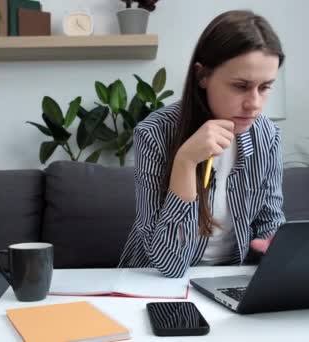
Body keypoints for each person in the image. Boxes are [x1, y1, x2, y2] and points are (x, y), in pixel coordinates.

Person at [117, 10, 286, 278]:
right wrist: (185, 162)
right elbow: (169, 265)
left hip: (230, 278)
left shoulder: (267, 136)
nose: (254, 103)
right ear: (202, 76)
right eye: (241, 86)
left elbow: (270, 220)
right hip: (152, 279)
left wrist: (277, 247)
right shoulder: (154, 133)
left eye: (265, 87)